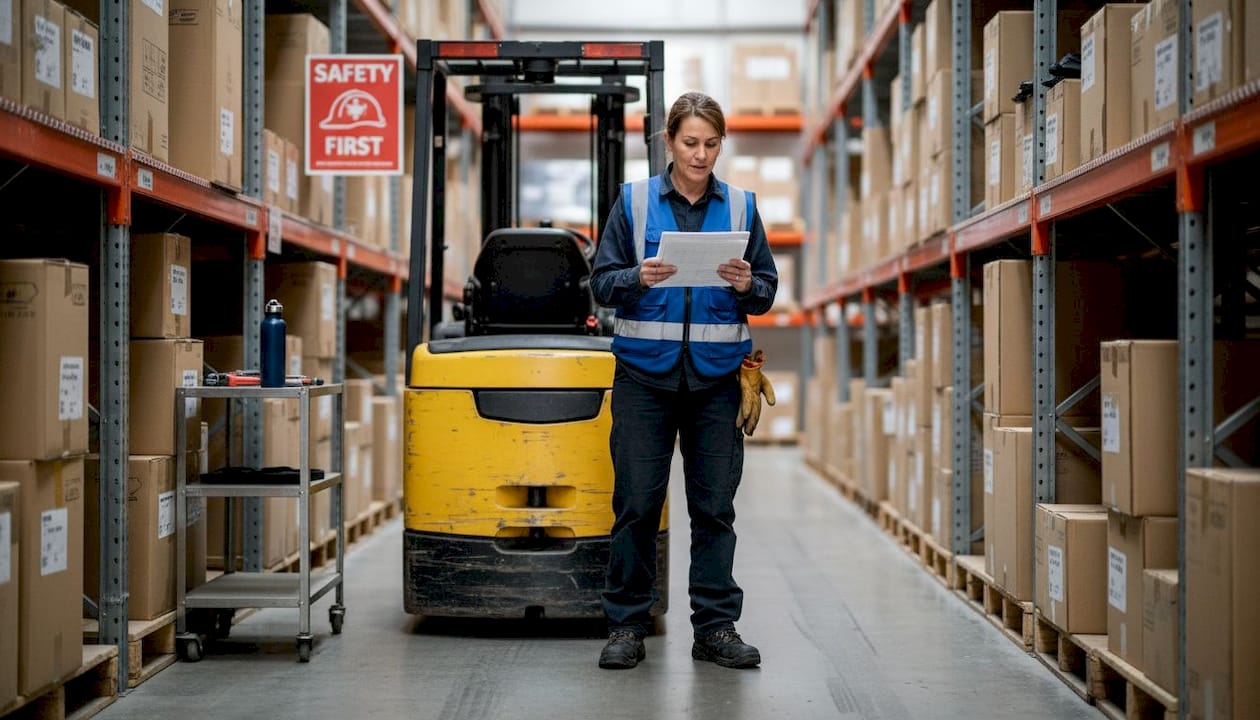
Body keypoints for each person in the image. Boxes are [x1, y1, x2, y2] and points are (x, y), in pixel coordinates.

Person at [589, 91, 778, 670]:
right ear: (668, 141)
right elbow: (601, 282)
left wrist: (749, 286)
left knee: (714, 508)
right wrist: (636, 278)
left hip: (718, 383)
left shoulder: (742, 207)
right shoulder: (635, 201)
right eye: (691, 143)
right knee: (638, 506)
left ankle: (715, 628)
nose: (701, 155)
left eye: (712, 144)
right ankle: (626, 624)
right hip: (644, 379)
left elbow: (768, 290)